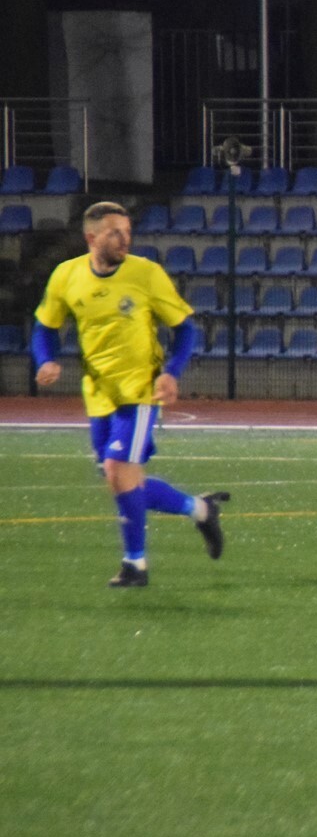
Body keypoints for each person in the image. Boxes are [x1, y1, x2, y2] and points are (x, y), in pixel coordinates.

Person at [31, 201, 227, 587]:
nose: (125, 239)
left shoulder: (146, 274)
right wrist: (46, 359)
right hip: (98, 393)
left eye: (127, 231)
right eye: (115, 233)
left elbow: (185, 328)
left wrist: (171, 373)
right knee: (120, 479)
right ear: (91, 238)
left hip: (140, 391)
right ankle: (201, 509)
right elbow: (45, 326)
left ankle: (135, 565)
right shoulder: (66, 275)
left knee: (119, 470)